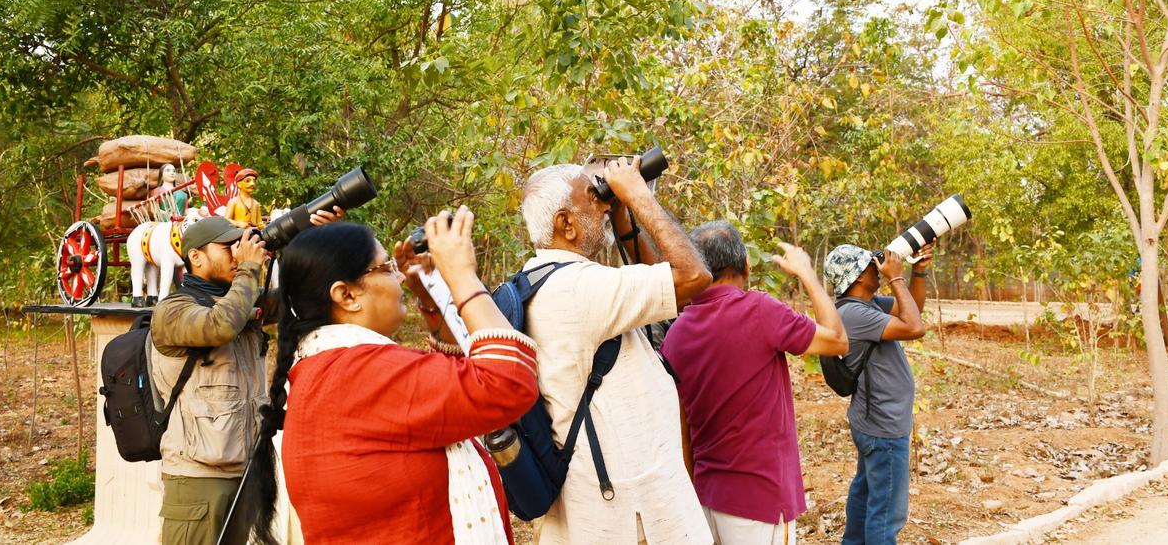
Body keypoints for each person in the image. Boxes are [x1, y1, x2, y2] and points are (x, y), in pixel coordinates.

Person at [247, 207, 540, 545]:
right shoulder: (360, 373)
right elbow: (507, 381)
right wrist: (462, 277)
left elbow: (448, 391)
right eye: (386, 268)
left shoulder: (332, 368)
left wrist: (433, 301)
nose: (399, 277)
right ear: (346, 295)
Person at [519, 157, 714, 545]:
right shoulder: (582, 287)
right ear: (566, 224)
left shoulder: (537, 280)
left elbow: (660, 288)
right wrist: (638, 193)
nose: (605, 204)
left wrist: (622, 218)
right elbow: (693, 276)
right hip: (632, 508)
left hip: (598, 493)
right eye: (594, 198)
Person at [151, 210, 341, 545]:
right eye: (227, 247)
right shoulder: (172, 311)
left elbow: (305, 301)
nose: (238, 253)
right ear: (196, 256)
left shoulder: (240, 301)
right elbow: (220, 325)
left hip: (244, 470)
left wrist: (313, 240)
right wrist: (249, 267)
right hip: (198, 476)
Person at [660, 222, 848, 544]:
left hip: (705, 497)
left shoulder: (675, 334)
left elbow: (682, 430)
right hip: (758, 499)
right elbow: (837, 341)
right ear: (746, 265)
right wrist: (807, 274)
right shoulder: (759, 310)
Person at [823, 243, 934, 545]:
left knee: (867, 495)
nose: (878, 267)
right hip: (884, 424)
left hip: (875, 421)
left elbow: (912, 310)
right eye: (871, 265)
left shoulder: (866, 305)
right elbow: (915, 327)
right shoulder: (855, 314)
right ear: (858, 277)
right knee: (886, 515)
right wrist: (897, 278)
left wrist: (918, 272)